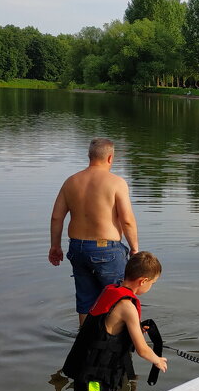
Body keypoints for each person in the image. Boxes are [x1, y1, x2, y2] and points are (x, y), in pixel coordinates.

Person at [62, 251, 167, 391]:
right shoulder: (127, 306)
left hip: (104, 371)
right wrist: (157, 360)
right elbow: (142, 350)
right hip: (94, 372)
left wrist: (133, 330)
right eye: (152, 283)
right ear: (143, 281)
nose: (151, 286)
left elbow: (107, 327)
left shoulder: (110, 291)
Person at [49, 138, 140, 325]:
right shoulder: (116, 183)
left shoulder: (71, 182)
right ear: (110, 158)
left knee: (85, 301)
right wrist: (134, 249)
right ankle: (113, 343)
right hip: (107, 250)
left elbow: (56, 217)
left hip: (77, 248)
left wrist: (55, 246)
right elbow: (127, 220)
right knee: (118, 300)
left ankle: (84, 341)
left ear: (89, 156)